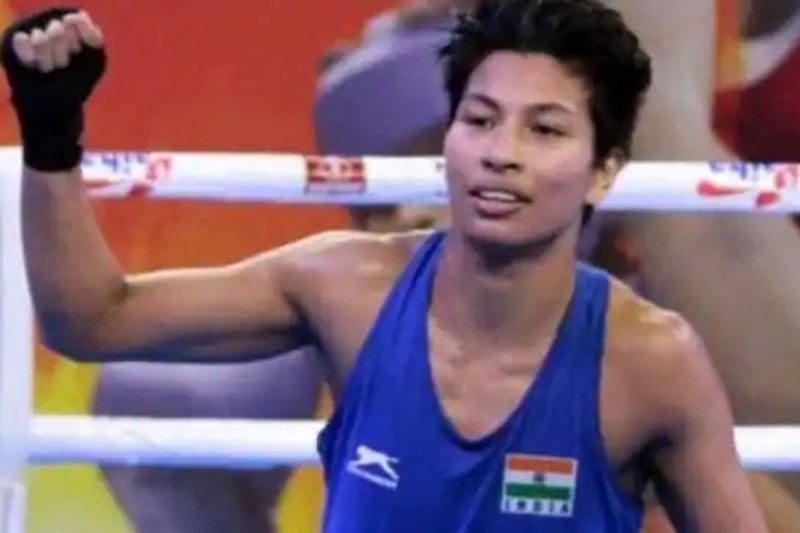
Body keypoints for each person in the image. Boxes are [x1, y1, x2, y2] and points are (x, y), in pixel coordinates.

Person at [1, 1, 768, 531]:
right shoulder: (348, 288)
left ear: (603, 171)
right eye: (479, 119)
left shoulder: (649, 362)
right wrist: (52, 135)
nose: (501, 152)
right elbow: (92, 317)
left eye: (544, 129)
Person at [89, 8, 451, 533]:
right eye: (380, 204)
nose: (414, 213)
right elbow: (104, 326)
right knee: (160, 394)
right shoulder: (335, 292)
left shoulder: (581, 312)